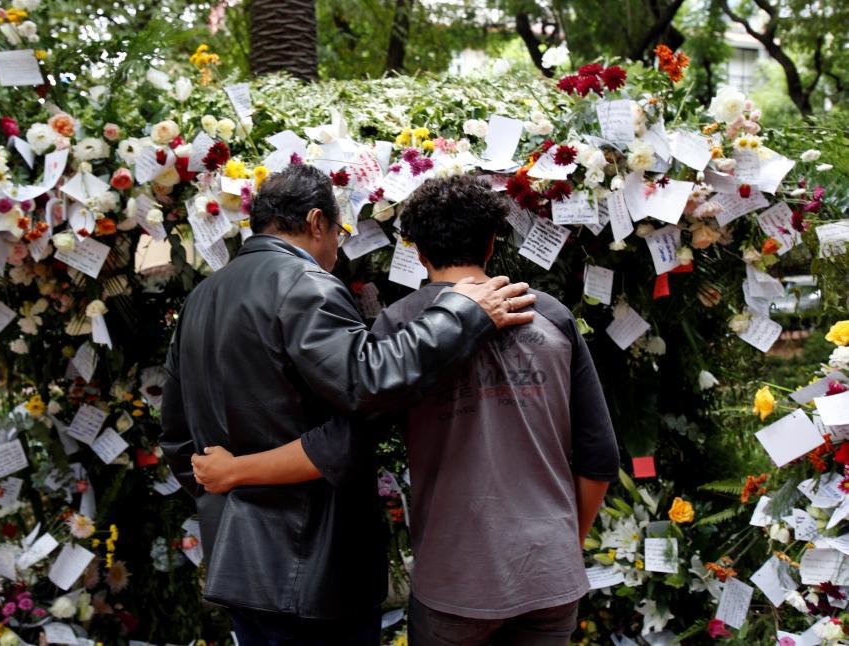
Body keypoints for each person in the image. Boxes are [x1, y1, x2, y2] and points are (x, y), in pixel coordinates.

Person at [192, 174, 620, 646]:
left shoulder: (399, 330)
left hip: (455, 579)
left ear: (418, 251)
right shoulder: (551, 314)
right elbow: (598, 456)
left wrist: (235, 470)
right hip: (550, 574)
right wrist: (562, 545)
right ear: (493, 241)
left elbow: (341, 443)